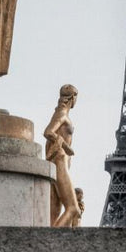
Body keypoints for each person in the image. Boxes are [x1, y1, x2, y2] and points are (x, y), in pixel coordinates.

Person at [44, 84, 81, 227]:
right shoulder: (62, 114)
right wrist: (67, 148)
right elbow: (48, 132)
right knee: (73, 209)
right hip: (60, 160)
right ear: (73, 97)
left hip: (58, 161)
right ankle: (52, 240)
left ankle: (48, 241)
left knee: (54, 212)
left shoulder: (60, 113)